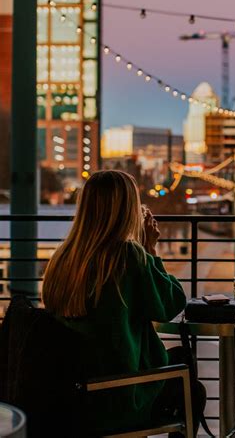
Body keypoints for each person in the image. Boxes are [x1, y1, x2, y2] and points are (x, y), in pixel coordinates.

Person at [42, 170, 204, 436]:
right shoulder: (127, 257)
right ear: (127, 209)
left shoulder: (62, 259)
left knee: (181, 359)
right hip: (119, 394)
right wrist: (150, 251)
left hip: (74, 394)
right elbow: (171, 304)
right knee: (192, 390)